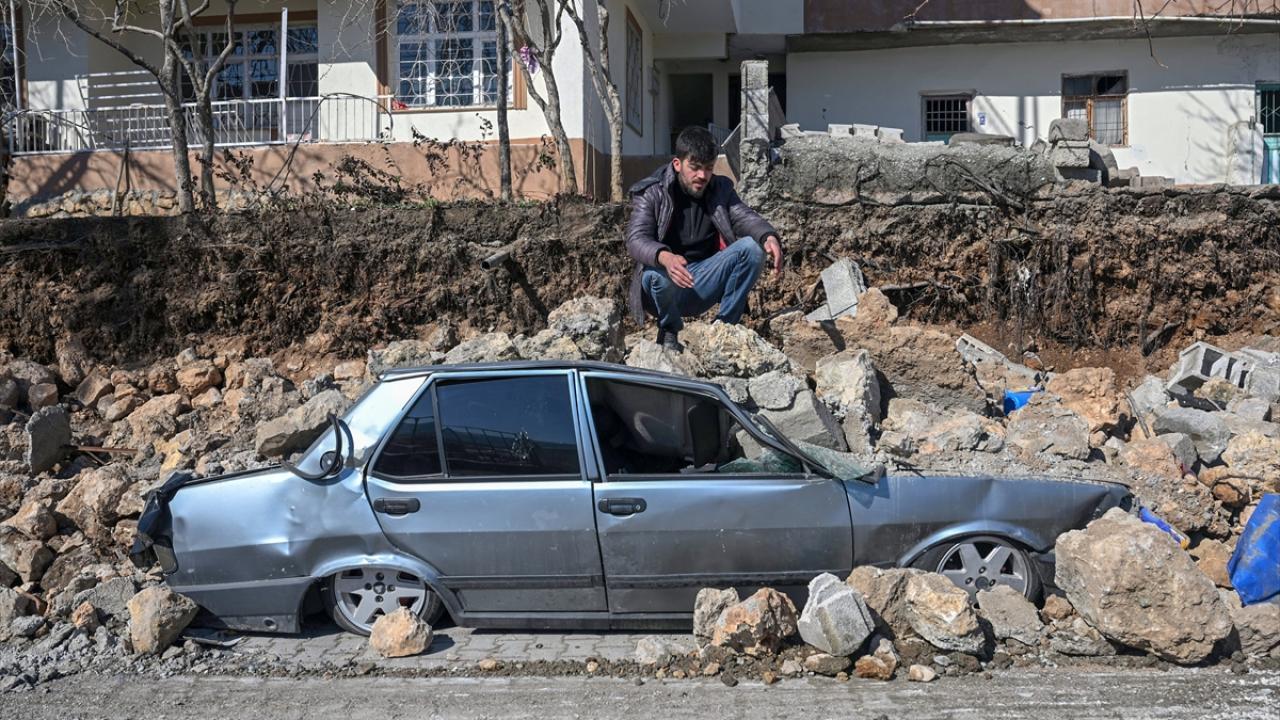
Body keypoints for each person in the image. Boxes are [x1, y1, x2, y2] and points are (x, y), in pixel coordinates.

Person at [624, 126, 783, 351]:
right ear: (677, 164)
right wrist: (665, 257)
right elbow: (636, 239)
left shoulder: (720, 188)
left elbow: (743, 216)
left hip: (705, 280)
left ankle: (725, 329)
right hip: (665, 285)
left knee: (752, 248)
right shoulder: (652, 191)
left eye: (708, 169)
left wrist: (767, 235)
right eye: (695, 168)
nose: (702, 176)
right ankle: (669, 331)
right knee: (655, 276)